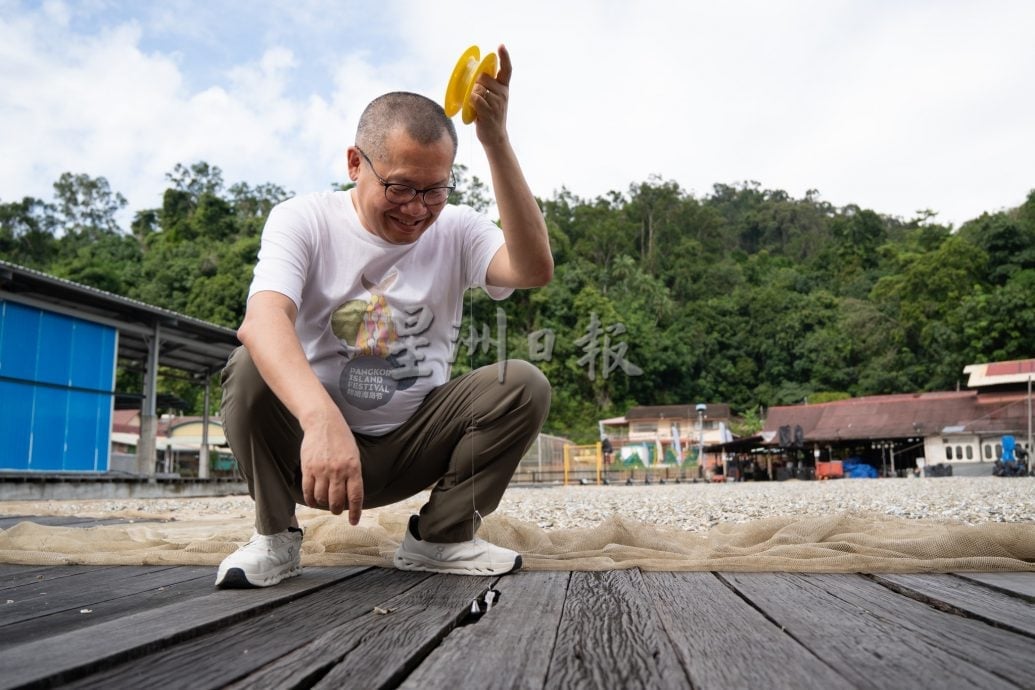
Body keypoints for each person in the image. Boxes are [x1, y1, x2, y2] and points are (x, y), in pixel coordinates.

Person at [215, 45, 553, 588]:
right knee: (248, 365)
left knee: (523, 383)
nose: (417, 208)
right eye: (399, 187)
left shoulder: (459, 229)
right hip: (311, 449)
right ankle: (275, 537)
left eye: (434, 190)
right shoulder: (304, 219)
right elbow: (262, 320)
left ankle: (441, 540)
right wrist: (321, 421)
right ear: (355, 164)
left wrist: (495, 141)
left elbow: (533, 268)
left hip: (411, 445)